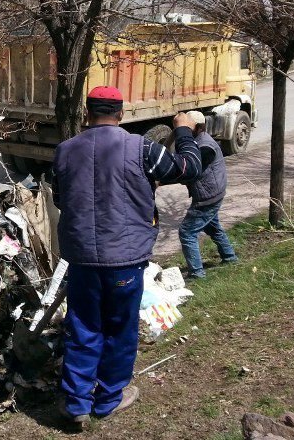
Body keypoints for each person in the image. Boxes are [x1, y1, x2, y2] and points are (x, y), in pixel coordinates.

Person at [51, 86, 203, 429]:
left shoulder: (64, 151)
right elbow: (188, 168)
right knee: (120, 329)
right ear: (120, 114)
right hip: (125, 259)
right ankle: (107, 400)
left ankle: (76, 404)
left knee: (82, 327)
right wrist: (182, 130)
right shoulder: (142, 148)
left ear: (86, 114)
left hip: (82, 260)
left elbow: (62, 199)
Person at [178, 111, 239, 279]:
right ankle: (230, 257)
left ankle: (197, 273)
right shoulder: (196, 140)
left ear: (199, 127)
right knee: (212, 226)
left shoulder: (206, 147)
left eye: (188, 127)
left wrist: (162, 180)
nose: (185, 130)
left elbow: (188, 170)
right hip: (212, 193)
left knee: (187, 232)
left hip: (208, 197)